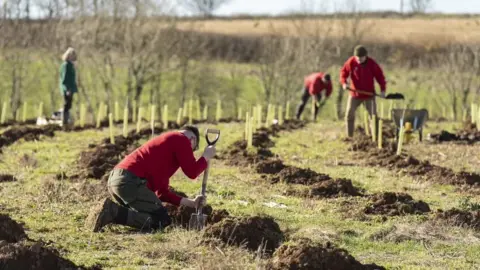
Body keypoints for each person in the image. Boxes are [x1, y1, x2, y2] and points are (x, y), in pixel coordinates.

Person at [84, 125, 216, 233]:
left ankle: (112, 212)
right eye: (193, 150)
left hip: (117, 181)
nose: (190, 153)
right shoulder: (181, 139)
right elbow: (192, 172)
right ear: (192, 140)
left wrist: (192, 203)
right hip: (131, 182)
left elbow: (162, 194)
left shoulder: (166, 147)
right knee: (161, 219)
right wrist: (205, 156)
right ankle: (113, 212)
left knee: (152, 215)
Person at [340, 45, 387, 137]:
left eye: (361, 58)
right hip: (354, 94)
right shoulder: (351, 62)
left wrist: (382, 91)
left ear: (365, 56)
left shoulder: (372, 64)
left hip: (369, 95)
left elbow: (380, 77)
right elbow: (343, 73)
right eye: (357, 57)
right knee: (349, 114)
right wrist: (344, 83)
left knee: (373, 116)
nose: (359, 60)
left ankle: (375, 137)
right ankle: (350, 136)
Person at [59, 47, 78, 127]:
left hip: (71, 88)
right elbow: (64, 78)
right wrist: (67, 89)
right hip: (67, 88)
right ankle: (64, 122)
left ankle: (66, 121)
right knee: (66, 104)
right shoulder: (66, 65)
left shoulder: (71, 65)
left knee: (69, 105)